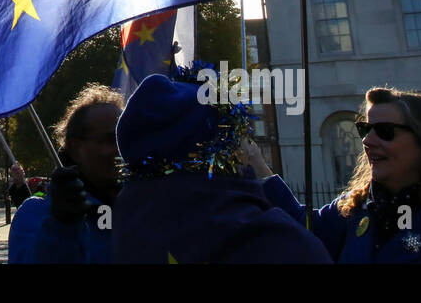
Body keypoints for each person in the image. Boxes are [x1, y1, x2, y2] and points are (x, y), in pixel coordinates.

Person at [247, 86, 421, 263]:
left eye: (385, 132)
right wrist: (255, 162)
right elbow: (303, 231)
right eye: (365, 130)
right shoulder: (355, 209)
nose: (368, 141)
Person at [113, 71, 331, 263]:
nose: (247, 142)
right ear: (223, 146)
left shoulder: (121, 233)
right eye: (238, 132)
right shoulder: (281, 243)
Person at [8, 84, 123, 263]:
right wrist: (62, 228)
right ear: (76, 149)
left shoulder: (140, 206)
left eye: (124, 138)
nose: (120, 149)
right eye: (110, 139)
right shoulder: (36, 214)